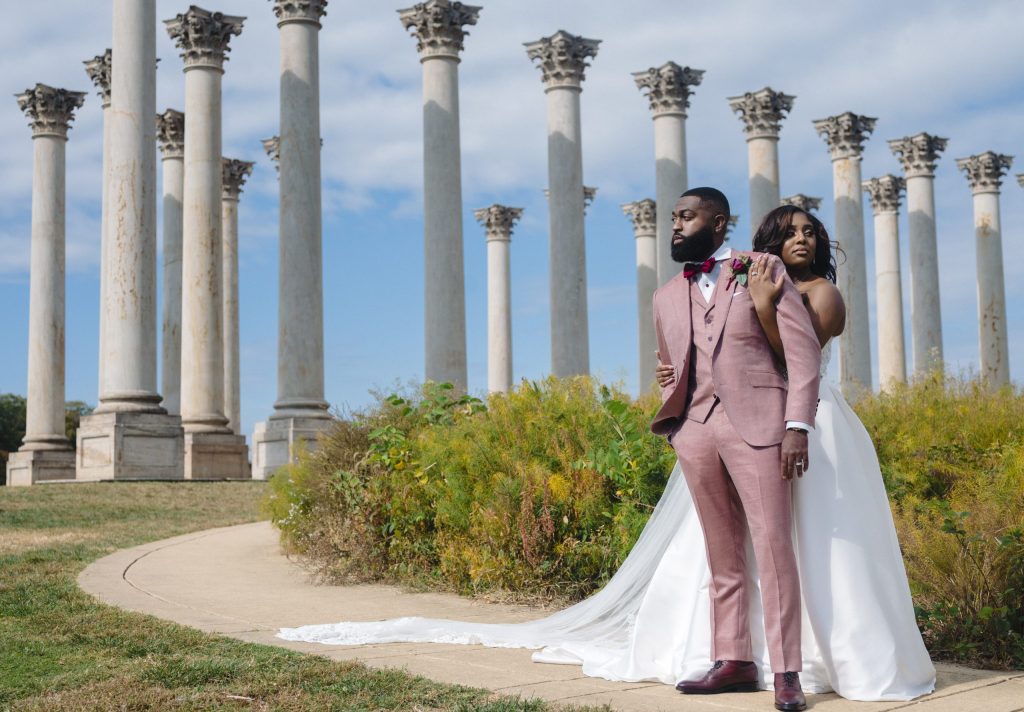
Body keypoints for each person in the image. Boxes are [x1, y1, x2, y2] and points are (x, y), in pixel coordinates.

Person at [278, 197, 936, 707]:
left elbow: (794, 357)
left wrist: (763, 304)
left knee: (817, 545)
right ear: (765, 242)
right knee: (723, 549)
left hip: (808, 421)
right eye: (789, 230)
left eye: (810, 231)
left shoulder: (823, 293)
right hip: (733, 424)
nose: (802, 238)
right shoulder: (727, 288)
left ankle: (813, 663)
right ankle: (738, 654)